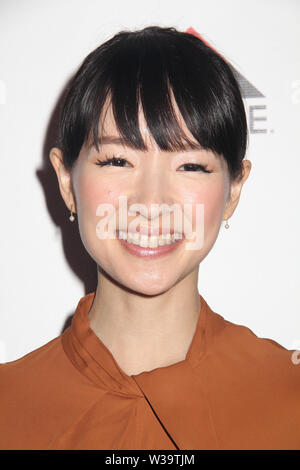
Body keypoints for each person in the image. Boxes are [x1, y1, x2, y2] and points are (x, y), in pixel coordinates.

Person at [0, 25, 299, 451]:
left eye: (191, 166)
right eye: (119, 160)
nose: (152, 202)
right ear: (67, 181)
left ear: (233, 190)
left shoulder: (290, 397)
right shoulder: (7, 407)